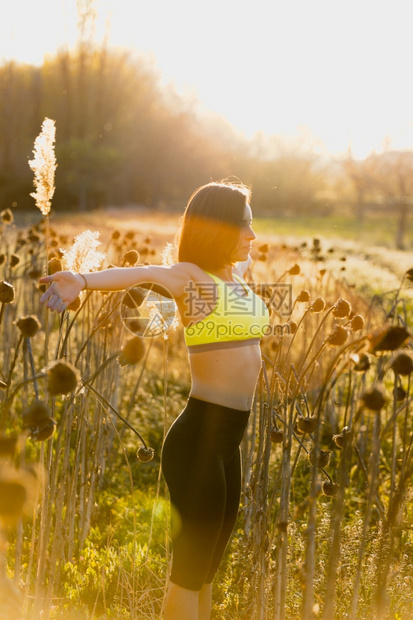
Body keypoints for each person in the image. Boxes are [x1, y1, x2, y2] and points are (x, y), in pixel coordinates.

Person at [39, 181, 270, 620]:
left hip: (229, 442)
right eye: (244, 227)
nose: (252, 237)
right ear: (218, 228)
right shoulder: (190, 276)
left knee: (205, 572)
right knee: (188, 572)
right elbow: (143, 274)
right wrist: (83, 280)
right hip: (199, 436)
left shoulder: (233, 278)